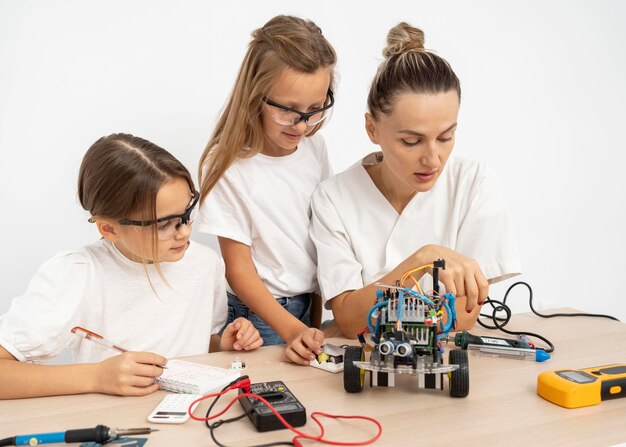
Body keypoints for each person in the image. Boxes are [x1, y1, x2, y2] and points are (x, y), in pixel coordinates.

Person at [0, 133, 262, 399]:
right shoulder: (78, 273)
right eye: (163, 224)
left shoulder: (205, 263)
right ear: (109, 228)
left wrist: (222, 344)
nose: (183, 232)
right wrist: (96, 376)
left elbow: (196, 343)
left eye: (187, 213)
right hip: (114, 422)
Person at [310, 23, 522, 338]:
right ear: (372, 129)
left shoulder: (474, 183)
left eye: (446, 136)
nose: (432, 158)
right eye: (411, 141)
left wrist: (374, 303)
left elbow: (464, 318)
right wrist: (422, 261)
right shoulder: (334, 198)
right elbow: (351, 321)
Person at [197, 15, 336, 365]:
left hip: (308, 306)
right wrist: (290, 330)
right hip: (261, 317)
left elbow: (321, 235)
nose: (302, 124)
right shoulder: (227, 164)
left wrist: (312, 319)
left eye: (315, 109)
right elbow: (239, 270)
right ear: (255, 95)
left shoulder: (315, 149)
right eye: (289, 110)